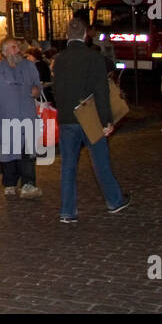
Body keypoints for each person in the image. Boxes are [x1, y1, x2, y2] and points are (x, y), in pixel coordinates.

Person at [52, 18, 129, 222]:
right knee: (100, 161)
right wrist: (107, 121)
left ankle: (67, 210)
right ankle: (114, 200)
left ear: (67, 35)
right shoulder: (93, 58)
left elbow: (56, 90)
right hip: (90, 117)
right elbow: (101, 91)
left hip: (68, 117)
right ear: (86, 35)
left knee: (68, 165)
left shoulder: (59, 59)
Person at [0, 37, 42, 199]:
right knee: (8, 152)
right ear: (4, 52)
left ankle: (28, 184)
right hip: (6, 118)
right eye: (14, 48)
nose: (18, 50)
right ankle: (9, 183)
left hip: (27, 116)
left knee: (27, 152)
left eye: (17, 47)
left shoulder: (29, 67)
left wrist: (37, 90)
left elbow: (38, 85)